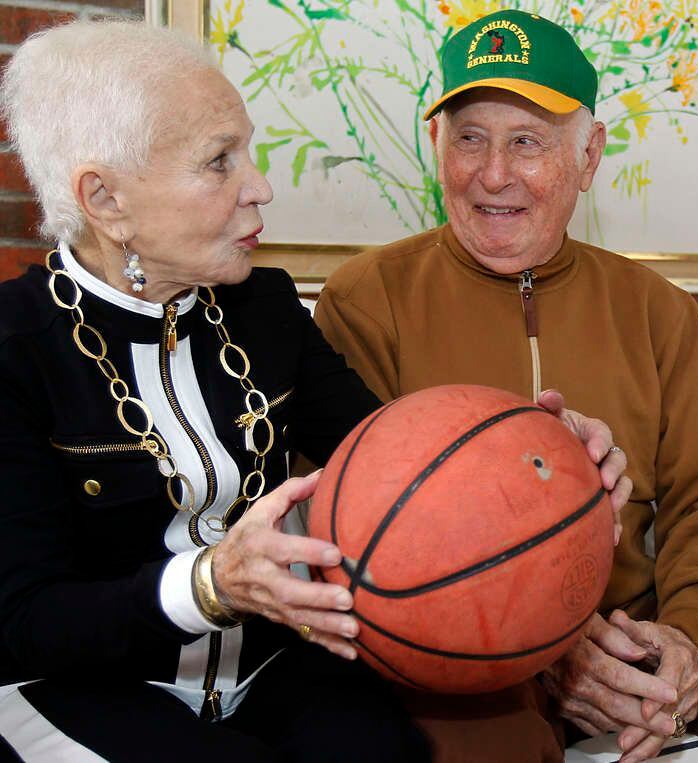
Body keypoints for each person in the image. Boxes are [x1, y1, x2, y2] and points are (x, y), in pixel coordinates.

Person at [0, 19, 631, 762]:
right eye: (218, 162)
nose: (260, 186)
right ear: (104, 198)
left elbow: (399, 459)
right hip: (83, 682)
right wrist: (209, 584)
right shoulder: (16, 350)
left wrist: (540, 459)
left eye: (249, 152)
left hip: (271, 664)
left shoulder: (264, 308)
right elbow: (21, 619)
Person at [314, 10, 698, 763]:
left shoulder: (656, 309)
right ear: (438, 146)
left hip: (635, 630)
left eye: (527, 141)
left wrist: (686, 642)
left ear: (589, 155)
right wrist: (549, 648)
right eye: (469, 137)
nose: (492, 173)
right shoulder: (367, 298)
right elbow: (350, 533)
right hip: (469, 652)